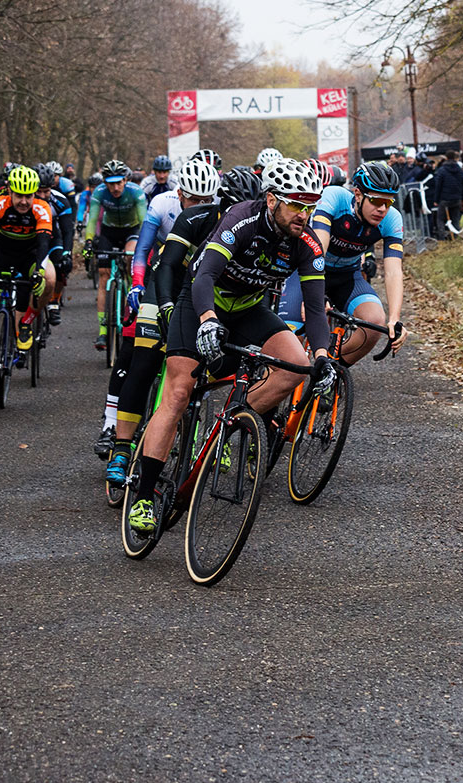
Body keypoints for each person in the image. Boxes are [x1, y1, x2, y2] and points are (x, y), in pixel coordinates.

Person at [126, 157, 333, 535]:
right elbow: (204, 274)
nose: (305, 214)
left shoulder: (306, 243)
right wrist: (207, 320)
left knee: (295, 363)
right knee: (178, 393)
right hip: (201, 302)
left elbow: (316, 308)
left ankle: (234, 416)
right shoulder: (241, 218)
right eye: (297, 204)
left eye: (310, 206)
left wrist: (321, 357)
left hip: (248, 308)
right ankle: (142, 494)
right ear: (272, 200)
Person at [102, 157, 225, 484]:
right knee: (142, 363)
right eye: (193, 200)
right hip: (162, 282)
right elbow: (143, 251)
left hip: (194, 289)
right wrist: (137, 284)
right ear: (180, 193)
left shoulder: (221, 216)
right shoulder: (162, 203)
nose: (198, 206)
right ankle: (121, 447)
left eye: (206, 201)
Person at [278, 160, 408, 366]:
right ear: (358, 195)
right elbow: (318, 250)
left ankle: (332, 368)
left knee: (374, 323)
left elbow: (393, 272)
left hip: (347, 276)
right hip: (307, 272)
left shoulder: (392, 219)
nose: (382, 209)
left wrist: (394, 318)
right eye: (376, 201)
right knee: (290, 346)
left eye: (388, 202)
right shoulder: (335, 198)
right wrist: (316, 295)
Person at [0, 165, 55, 395]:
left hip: (30, 255)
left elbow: (44, 246)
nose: (24, 201)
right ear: (10, 192)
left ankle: (25, 322)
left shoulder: (42, 209)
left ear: (35, 193)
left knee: (47, 279)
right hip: (2, 253)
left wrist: (39, 271)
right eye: (19, 195)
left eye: (28, 196)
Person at [84, 159, 147, 350]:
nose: (116, 187)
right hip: (109, 232)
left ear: (126, 180)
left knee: (130, 259)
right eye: (111, 183)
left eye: (119, 182)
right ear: (105, 182)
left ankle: (130, 309)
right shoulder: (100, 193)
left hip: (132, 230)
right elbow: (93, 218)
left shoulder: (136, 192)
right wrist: (88, 240)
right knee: (104, 275)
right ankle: (103, 332)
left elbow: (145, 221)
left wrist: (146, 245)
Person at [34, 164, 74, 325]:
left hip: (53, 238)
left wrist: (67, 253)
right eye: (39, 192)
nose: (43, 196)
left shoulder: (60, 201)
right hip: (33, 240)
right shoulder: (26, 200)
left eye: (47, 191)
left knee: (61, 265)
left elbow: (67, 231)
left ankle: (54, 302)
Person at [434, 150, 463, 239]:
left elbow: (438, 185)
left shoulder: (442, 170)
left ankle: (442, 236)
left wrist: (436, 200)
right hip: (457, 198)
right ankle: (455, 235)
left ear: (446, 158)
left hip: (444, 198)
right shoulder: (460, 170)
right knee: (455, 218)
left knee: (440, 218)